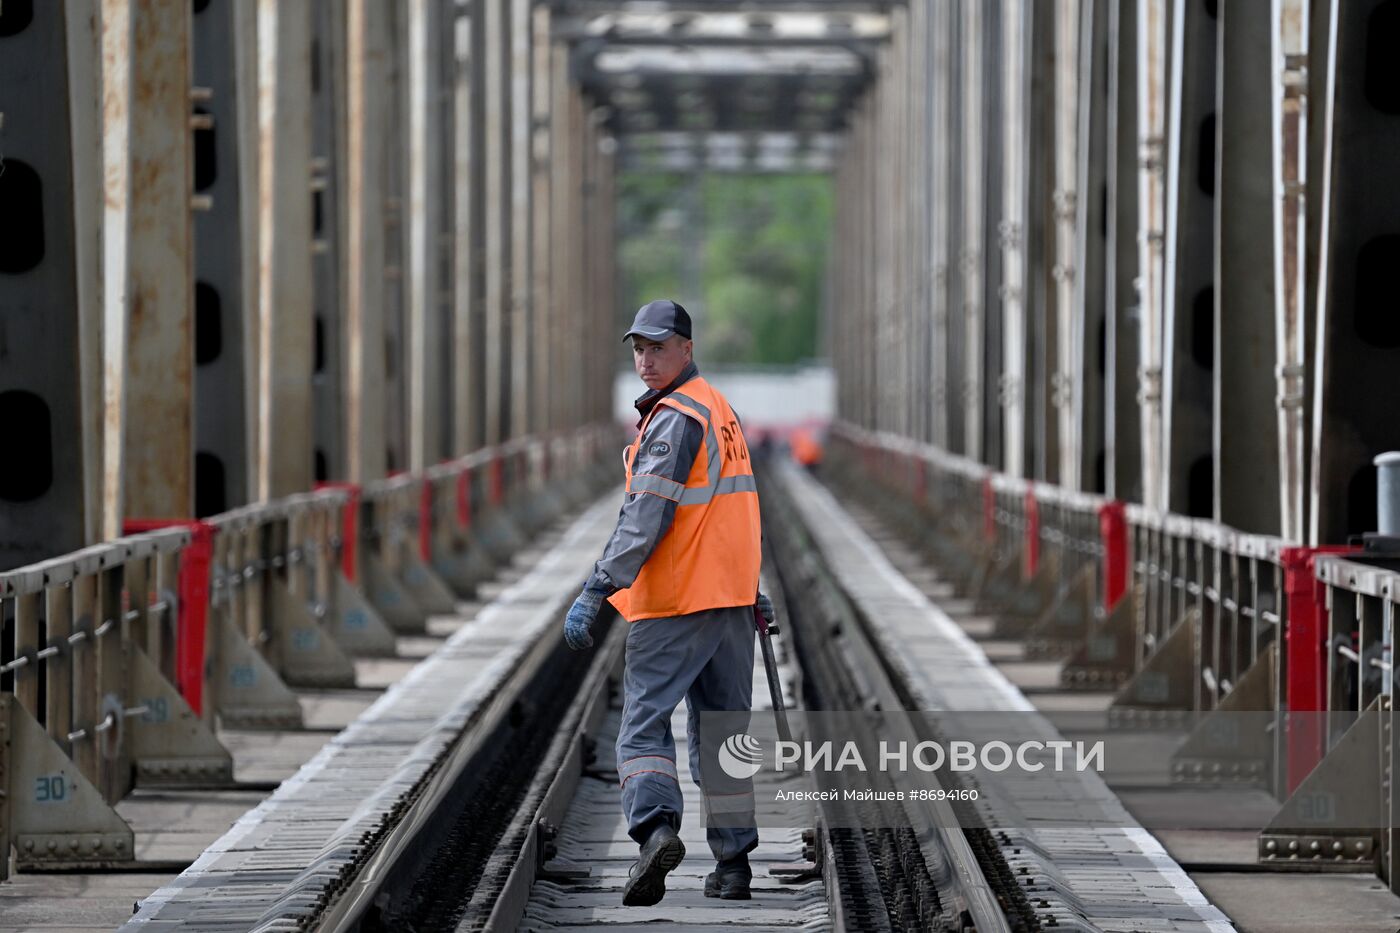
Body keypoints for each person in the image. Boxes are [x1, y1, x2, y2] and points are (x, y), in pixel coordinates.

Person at [561, 298, 773, 906]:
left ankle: (655, 830)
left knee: (643, 725)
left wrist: (599, 584)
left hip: (677, 598)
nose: (646, 360)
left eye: (658, 348)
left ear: (687, 348)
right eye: (638, 349)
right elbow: (737, 513)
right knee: (723, 734)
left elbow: (644, 516)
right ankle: (734, 868)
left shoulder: (676, 417)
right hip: (729, 603)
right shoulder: (720, 410)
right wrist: (752, 589)